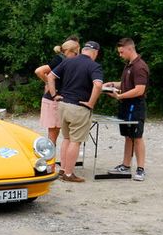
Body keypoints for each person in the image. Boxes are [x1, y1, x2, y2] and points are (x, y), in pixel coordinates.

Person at [46, 41, 104, 183]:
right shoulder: (94, 66)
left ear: (83, 50)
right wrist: (91, 103)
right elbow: (98, 85)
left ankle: (63, 169)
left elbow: (50, 76)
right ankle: (69, 173)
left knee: (66, 138)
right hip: (79, 107)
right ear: (95, 52)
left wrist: (54, 95)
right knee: (75, 141)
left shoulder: (68, 61)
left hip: (63, 105)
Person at [103, 38, 149, 181]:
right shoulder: (128, 65)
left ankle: (141, 169)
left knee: (137, 137)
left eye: (121, 52)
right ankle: (125, 165)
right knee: (128, 137)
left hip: (135, 106)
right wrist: (112, 85)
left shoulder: (140, 66)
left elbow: (139, 89)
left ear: (130, 49)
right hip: (126, 105)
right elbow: (126, 84)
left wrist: (120, 96)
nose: (120, 55)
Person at [34, 38, 80, 147]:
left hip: (58, 99)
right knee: (53, 134)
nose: (77, 56)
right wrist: (50, 85)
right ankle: (50, 157)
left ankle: (53, 156)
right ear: (69, 51)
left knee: (57, 132)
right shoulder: (59, 59)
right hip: (53, 100)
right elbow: (39, 71)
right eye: (76, 53)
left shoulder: (65, 60)